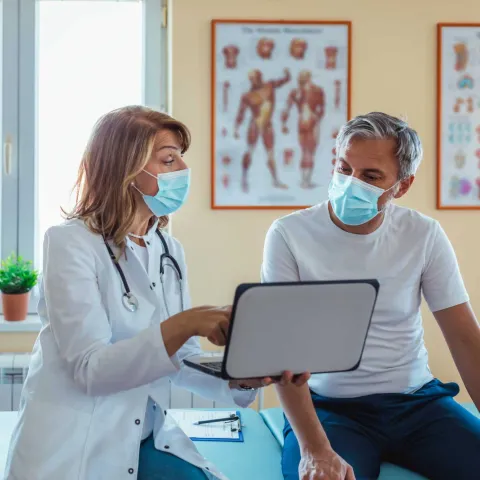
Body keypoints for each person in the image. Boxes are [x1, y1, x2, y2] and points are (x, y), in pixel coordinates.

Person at [4, 106, 309, 480]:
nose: (183, 170)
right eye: (168, 159)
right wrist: (185, 324)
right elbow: (91, 370)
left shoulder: (166, 248)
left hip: (141, 430)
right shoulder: (70, 242)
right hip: (75, 441)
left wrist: (245, 376)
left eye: (181, 157)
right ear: (126, 169)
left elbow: (180, 360)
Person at [261, 112, 480, 480]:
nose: (351, 183)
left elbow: (463, 337)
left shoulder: (423, 235)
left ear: (403, 185)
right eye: (343, 168)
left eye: (370, 176)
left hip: (416, 404)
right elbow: (283, 350)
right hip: (331, 410)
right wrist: (316, 450)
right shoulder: (289, 235)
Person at [234, 68, 291, 192]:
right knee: (249, 151)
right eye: (253, 78)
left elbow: (284, 81)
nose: (255, 80)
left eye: (257, 77)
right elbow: (241, 113)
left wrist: (287, 74)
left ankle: (275, 180)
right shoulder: (248, 96)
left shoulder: (269, 86)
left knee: (270, 153)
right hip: (255, 125)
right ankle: (244, 179)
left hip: (267, 126)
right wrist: (236, 128)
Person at [281, 70, 325, 189]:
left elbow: (321, 109)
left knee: (309, 150)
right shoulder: (297, 92)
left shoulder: (316, 91)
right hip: (306, 122)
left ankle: (306, 179)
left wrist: (316, 117)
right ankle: (305, 180)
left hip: (311, 121)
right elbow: (286, 109)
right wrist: (283, 123)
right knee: (307, 150)